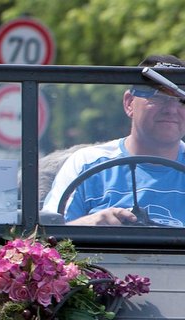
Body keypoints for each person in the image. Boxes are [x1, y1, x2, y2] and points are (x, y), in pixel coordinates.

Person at [41, 54, 185, 226]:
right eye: (158, 97)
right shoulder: (86, 164)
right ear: (129, 103)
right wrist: (90, 224)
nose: (171, 109)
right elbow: (47, 236)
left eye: (182, 100)